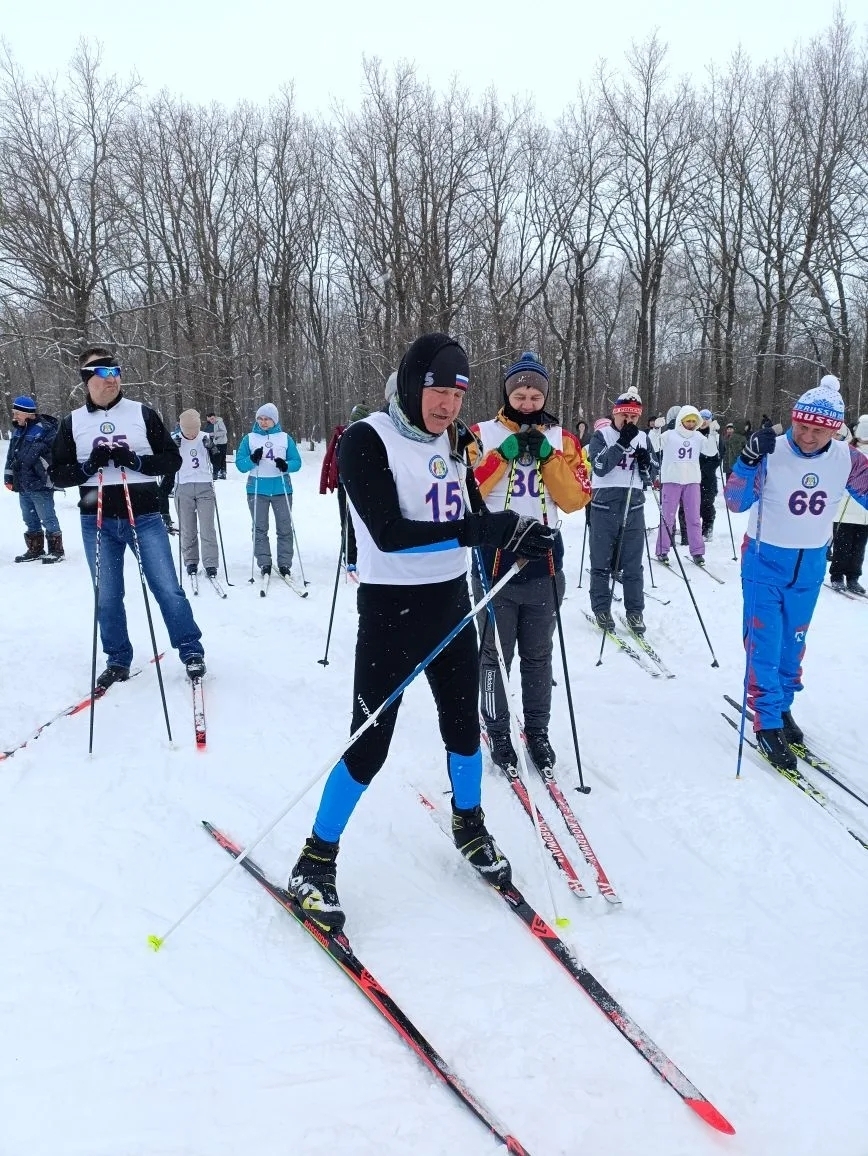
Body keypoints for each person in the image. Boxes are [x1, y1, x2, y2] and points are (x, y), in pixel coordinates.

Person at [286, 332, 555, 931]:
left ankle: (469, 823)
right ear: (411, 385)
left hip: (451, 601)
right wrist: (478, 532)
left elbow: (470, 515)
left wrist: (516, 533)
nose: (448, 404)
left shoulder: (455, 443)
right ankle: (314, 860)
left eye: (459, 393)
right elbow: (388, 532)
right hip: (391, 611)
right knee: (370, 743)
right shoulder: (367, 438)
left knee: (463, 727)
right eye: (437, 389)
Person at [724, 377, 868, 769]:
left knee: (793, 644)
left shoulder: (848, 459)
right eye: (801, 426)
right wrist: (747, 461)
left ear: (835, 429)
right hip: (765, 561)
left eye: (817, 430)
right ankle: (767, 720)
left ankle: (783, 706)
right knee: (764, 643)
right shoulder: (773, 451)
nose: (806, 436)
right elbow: (735, 502)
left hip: (810, 565)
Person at [51, 348, 206, 686]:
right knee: (107, 594)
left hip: (144, 514)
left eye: (117, 372)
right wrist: (87, 467)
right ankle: (118, 659)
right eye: (105, 374)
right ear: (87, 379)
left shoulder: (142, 413)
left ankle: (191, 650)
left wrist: (136, 461)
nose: (113, 379)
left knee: (166, 587)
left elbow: (171, 460)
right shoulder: (72, 422)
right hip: (97, 519)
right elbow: (57, 475)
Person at [468, 352, 590, 770]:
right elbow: (467, 494)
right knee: (493, 654)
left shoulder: (563, 440)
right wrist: (501, 455)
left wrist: (549, 459)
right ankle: (497, 731)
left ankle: (537, 731)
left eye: (535, 395)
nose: (527, 402)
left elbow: (576, 499)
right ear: (507, 392)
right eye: (519, 394)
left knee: (538, 654)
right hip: (493, 558)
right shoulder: (480, 434)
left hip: (543, 559)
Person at [587, 388, 655, 633]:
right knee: (601, 562)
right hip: (604, 506)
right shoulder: (601, 435)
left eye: (634, 417)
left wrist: (647, 463)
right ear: (616, 414)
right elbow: (600, 467)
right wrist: (622, 442)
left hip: (634, 504)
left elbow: (653, 475)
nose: (629, 421)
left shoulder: (644, 438)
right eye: (624, 416)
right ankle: (601, 608)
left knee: (633, 565)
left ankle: (635, 612)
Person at [235, 403, 302, 577]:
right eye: (260, 419)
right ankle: (264, 562)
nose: (263, 422)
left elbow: (297, 462)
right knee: (259, 528)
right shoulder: (249, 438)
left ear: (275, 420)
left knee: (285, 528)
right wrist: (252, 459)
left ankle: (285, 563)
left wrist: (286, 465)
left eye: (267, 419)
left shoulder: (284, 438)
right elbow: (240, 464)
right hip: (257, 489)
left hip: (281, 489)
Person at [655, 405, 717, 566]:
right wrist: (656, 430)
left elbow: (710, 452)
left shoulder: (697, 437)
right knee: (667, 517)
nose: (690, 424)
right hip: (671, 480)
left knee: (694, 518)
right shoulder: (669, 435)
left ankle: (697, 552)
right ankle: (662, 549)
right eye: (687, 421)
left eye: (693, 421)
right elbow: (654, 446)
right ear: (681, 420)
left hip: (692, 481)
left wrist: (712, 433)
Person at [4, 395, 63, 563]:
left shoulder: (46, 429)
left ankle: (56, 551)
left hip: (40, 483)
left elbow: (50, 455)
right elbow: (10, 457)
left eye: (17, 413)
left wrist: (38, 464)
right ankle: (35, 549)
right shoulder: (18, 431)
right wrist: (8, 476)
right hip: (22, 483)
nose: (14, 416)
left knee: (47, 517)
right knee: (29, 518)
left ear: (28, 413)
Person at [319, 403, 372, 573]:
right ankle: (349, 556)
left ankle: (364, 555)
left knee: (365, 521)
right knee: (348, 521)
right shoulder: (343, 435)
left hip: (364, 484)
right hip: (346, 484)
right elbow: (335, 460)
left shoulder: (370, 434)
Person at [172, 409, 220, 578]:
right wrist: (171, 450)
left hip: (204, 485)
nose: (191, 435)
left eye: (194, 431)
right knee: (187, 527)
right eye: (188, 432)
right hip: (183, 486)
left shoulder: (205, 437)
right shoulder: (175, 439)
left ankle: (211, 563)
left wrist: (212, 449)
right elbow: (166, 465)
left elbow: (218, 463)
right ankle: (191, 561)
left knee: (207, 527)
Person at [828, 414, 868, 595]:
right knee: (843, 543)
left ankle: (853, 577)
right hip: (847, 506)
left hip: (864, 511)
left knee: (859, 546)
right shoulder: (849, 450)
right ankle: (837, 575)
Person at [698, 409, 721, 540]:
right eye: (701, 419)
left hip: (708, 477)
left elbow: (718, 458)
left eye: (706, 419)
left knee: (706, 504)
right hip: (693, 475)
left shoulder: (715, 436)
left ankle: (707, 529)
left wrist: (704, 470)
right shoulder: (694, 434)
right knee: (694, 504)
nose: (704, 422)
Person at [205, 412, 228, 478]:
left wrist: (214, 434)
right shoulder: (214, 423)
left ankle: (216, 473)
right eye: (210, 419)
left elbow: (224, 431)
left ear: (215, 417)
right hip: (218, 443)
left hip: (221, 443)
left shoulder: (219, 422)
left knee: (217, 458)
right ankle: (222, 472)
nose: (211, 421)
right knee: (220, 458)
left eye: (212, 419)